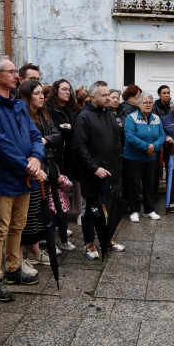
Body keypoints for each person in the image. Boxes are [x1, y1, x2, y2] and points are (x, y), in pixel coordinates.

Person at [0, 57, 45, 302]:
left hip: (24, 177)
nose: (17, 76)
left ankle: (13, 269)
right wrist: (30, 167)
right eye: (11, 71)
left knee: (18, 226)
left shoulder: (18, 104)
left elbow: (35, 135)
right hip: (3, 178)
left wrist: (36, 158)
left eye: (16, 71)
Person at [19, 80, 76, 255]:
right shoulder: (22, 116)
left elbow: (57, 135)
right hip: (32, 167)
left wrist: (43, 140)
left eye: (41, 93)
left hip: (48, 165)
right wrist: (42, 143)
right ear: (27, 96)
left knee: (42, 210)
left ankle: (36, 249)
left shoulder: (44, 115)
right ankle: (23, 254)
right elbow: (25, 142)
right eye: (36, 93)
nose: (41, 96)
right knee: (28, 214)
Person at [73, 81, 125, 259]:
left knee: (108, 207)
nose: (109, 98)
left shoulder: (109, 114)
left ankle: (107, 237)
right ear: (93, 97)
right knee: (91, 209)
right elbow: (80, 147)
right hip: (93, 173)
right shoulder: (84, 117)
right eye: (104, 95)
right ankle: (89, 242)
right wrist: (95, 168)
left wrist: (118, 165)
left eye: (109, 94)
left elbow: (116, 141)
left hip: (112, 171)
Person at [124, 92, 165, 222]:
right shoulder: (132, 117)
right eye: (145, 102)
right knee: (134, 185)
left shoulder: (157, 118)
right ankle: (134, 210)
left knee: (149, 185)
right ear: (139, 104)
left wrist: (154, 147)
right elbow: (130, 136)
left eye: (150, 102)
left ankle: (149, 210)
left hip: (150, 159)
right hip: (133, 158)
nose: (148, 105)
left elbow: (162, 136)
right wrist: (146, 147)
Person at [46, 79, 81, 216]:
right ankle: (54, 223)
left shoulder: (73, 109)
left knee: (65, 189)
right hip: (55, 155)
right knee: (54, 190)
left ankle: (62, 222)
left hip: (70, 156)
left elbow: (76, 129)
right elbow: (53, 130)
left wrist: (65, 127)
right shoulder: (48, 108)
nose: (68, 92)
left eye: (69, 89)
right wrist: (67, 127)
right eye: (64, 89)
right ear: (56, 91)